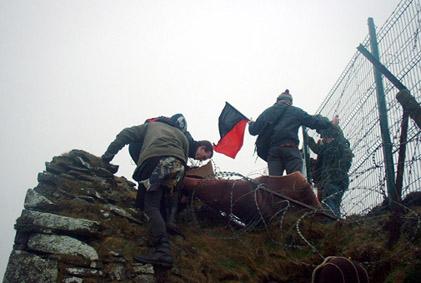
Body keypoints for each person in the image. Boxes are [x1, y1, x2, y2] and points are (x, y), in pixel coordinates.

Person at [101, 114, 213, 268]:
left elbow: (126, 134)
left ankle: (162, 250)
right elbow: (180, 163)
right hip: (177, 166)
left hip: (155, 160)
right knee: (154, 201)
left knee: (150, 206)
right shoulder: (182, 136)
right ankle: (166, 227)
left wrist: (107, 156)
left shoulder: (152, 126)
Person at [248, 89, 331, 176]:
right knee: (294, 182)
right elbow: (313, 122)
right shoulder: (295, 111)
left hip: (274, 153)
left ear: (277, 101)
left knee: (274, 184)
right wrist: (330, 123)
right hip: (291, 150)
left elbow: (253, 130)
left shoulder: (268, 112)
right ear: (290, 102)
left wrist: (251, 124)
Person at [308, 115, 353, 217]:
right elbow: (318, 151)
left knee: (330, 205)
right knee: (332, 204)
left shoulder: (334, 146)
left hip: (333, 179)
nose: (321, 138)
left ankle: (333, 224)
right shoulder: (336, 147)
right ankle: (335, 224)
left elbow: (319, 149)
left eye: (322, 135)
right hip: (337, 179)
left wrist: (333, 125)